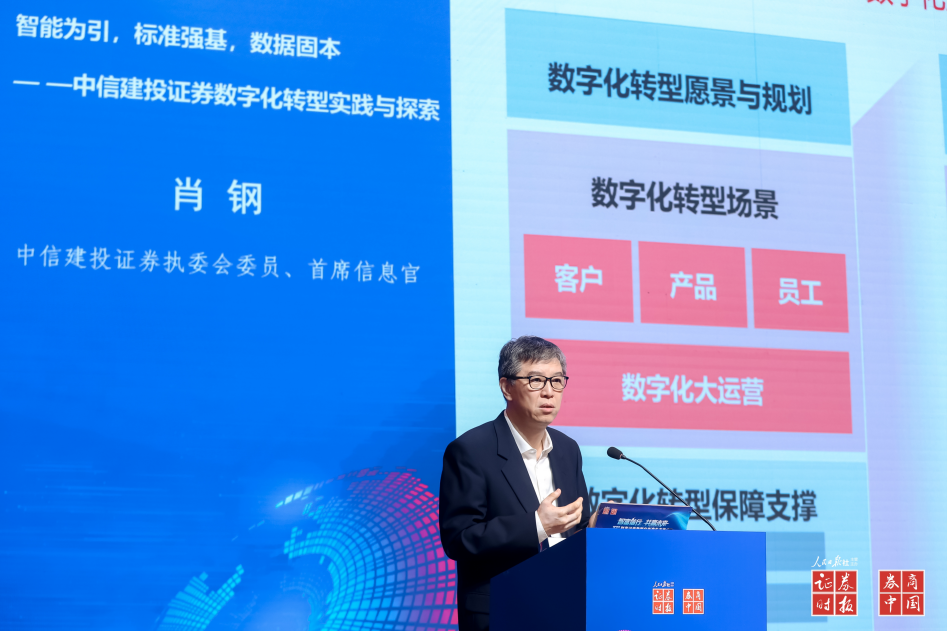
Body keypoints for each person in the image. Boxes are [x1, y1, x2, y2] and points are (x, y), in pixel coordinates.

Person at [439, 336, 591, 631]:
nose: (549, 392)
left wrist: (594, 528)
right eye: (536, 380)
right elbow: (459, 539)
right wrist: (536, 525)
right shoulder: (471, 450)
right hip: (502, 611)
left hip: (563, 608)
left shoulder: (568, 449)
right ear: (506, 387)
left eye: (557, 380)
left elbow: (575, 526)